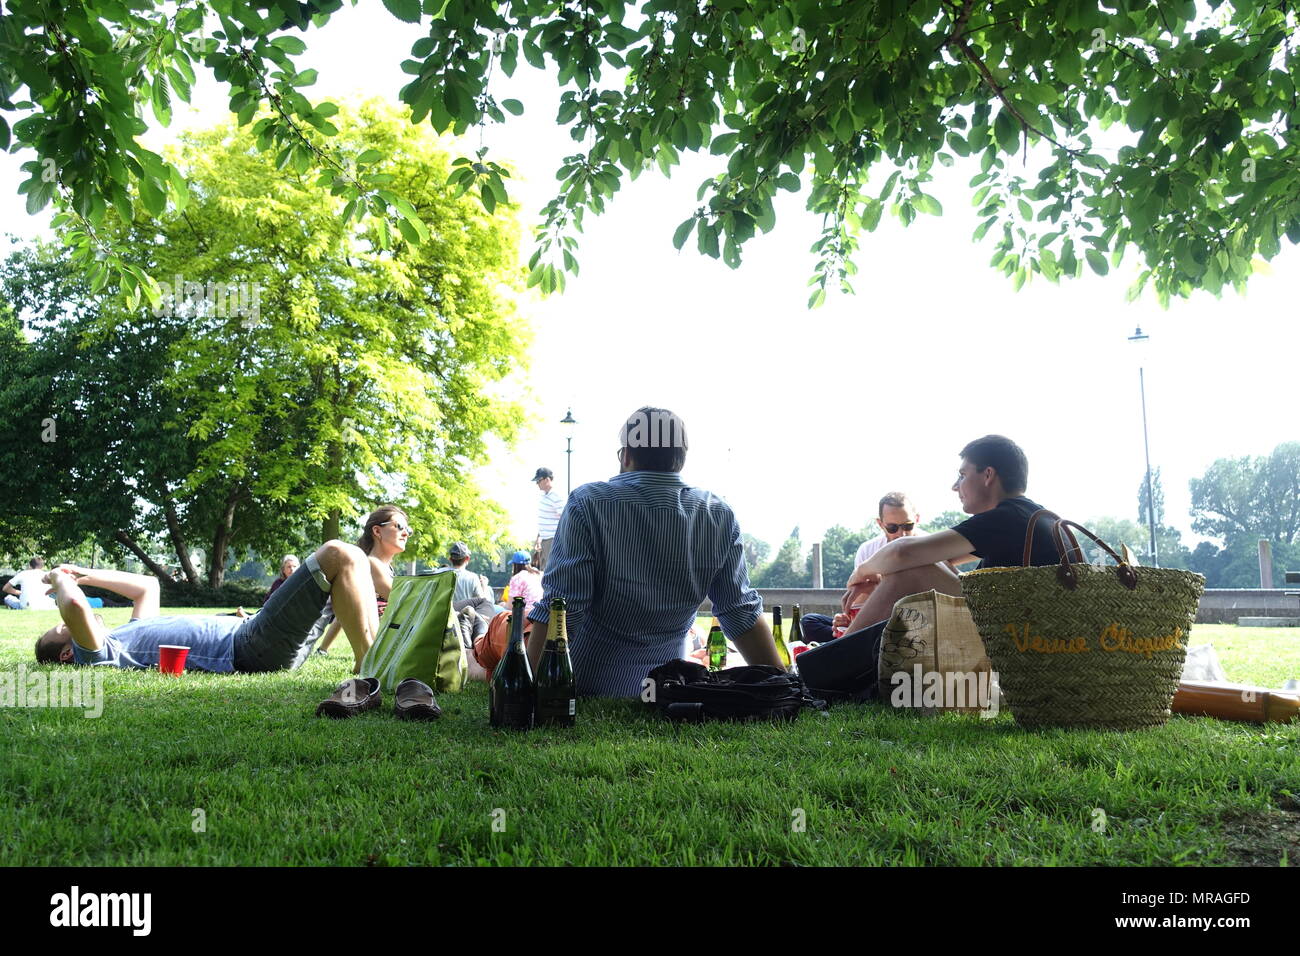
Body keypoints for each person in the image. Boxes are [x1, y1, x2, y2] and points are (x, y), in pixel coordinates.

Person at [525, 406, 783, 697]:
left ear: (626, 456)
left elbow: (563, 606)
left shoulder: (588, 503)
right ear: (681, 459)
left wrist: (526, 691)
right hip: (667, 686)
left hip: (588, 682)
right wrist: (786, 687)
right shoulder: (717, 514)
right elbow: (740, 612)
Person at [827, 435, 1062, 688]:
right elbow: (933, 558)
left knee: (912, 571)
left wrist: (860, 573)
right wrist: (878, 583)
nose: (955, 486)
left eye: (962, 475)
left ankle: (827, 667)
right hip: (1030, 629)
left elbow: (902, 553)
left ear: (988, 475)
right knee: (916, 563)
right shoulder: (1031, 516)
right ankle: (841, 662)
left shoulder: (1008, 517)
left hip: (1016, 634)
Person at [33, 540, 381, 674]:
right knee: (337, 553)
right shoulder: (101, 653)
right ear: (68, 653)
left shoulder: (126, 634)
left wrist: (83, 572)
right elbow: (76, 607)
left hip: (260, 637)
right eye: (61, 627)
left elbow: (146, 587)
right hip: (250, 646)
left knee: (357, 562)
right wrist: (58, 579)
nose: (64, 621)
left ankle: (376, 656)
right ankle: (373, 664)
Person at [315, 506, 410, 657]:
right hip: (383, 641)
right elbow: (404, 601)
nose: (406, 533)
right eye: (399, 527)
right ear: (377, 531)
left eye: (408, 530)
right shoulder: (371, 564)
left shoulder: (385, 568)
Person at [532, 467, 565, 571]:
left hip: (553, 539)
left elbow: (564, 519)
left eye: (539, 480)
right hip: (545, 540)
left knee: (551, 571)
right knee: (544, 571)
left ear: (547, 479)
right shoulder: (544, 496)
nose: (537, 483)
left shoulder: (556, 496)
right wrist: (539, 537)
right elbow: (545, 520)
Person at [506, 549, 544, 618]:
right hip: (541, 613)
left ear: (515, 565)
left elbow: (510, 606)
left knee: (496, 608)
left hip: (525, 614)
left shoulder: (517, 578)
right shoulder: (540, 574)